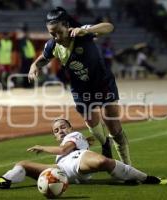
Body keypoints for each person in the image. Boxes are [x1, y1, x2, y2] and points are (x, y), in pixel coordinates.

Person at [28, 7, 130, 164]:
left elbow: (109, 27)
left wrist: (86, 30)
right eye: (51, 33)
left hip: (102, 83)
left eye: (58, 32)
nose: (55, 37)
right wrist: (34, 65)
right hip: (81, 89)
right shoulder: (52, 45)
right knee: (91, 123)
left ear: (66, 26)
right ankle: (104, 143)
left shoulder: (81, 34)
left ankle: (127, 166)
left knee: (113, 127)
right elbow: (44, 57)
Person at [0, 119, 167, 188]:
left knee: (105, 162)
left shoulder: (75, 135)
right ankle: (4, 180)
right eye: (56, 130)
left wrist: (42, 147)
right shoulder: (68, 142)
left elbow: (63, 150)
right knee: (24, 164)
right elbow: (62, 152)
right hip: (63, 170)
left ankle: (146, 178)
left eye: (63, 127)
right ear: (54, 135)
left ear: (70, 128)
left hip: (78, 160)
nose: (60, 131)